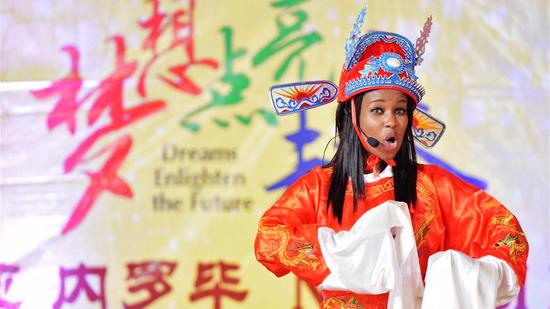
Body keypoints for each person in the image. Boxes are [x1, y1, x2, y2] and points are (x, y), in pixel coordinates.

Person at [255, 5, 528, 309]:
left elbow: (504, 230)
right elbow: (270, 237)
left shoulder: (433, 187)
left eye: (399, 110)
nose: (391, 121)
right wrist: (351, 252)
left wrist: (464, 278)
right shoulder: (319, 188)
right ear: (353, 116)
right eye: (377, 110)